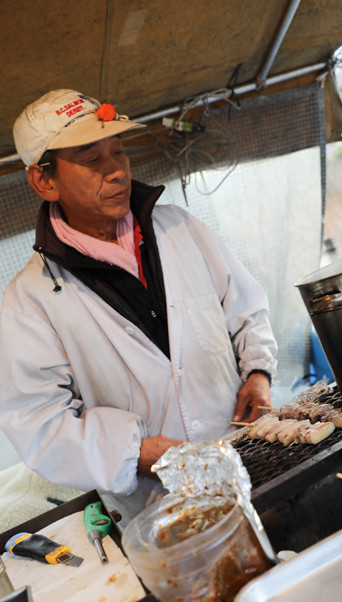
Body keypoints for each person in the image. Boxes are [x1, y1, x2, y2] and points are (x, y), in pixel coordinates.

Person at [0, 89, 277, 512]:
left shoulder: (178, 229)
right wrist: (135, 453)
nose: (116, 172)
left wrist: (258, 372)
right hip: (159, 505)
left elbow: (244, 307)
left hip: (249, 455)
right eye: (92, 160)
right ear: (45, 180)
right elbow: (39, 423)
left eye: (119, 152)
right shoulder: (31, 300)